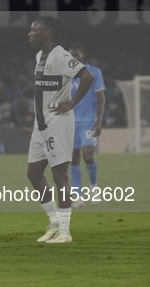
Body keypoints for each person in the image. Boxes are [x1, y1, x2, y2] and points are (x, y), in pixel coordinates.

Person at [27, 16, 94, 243]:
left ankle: (65, 231)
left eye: (34, 29)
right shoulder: (39, 56)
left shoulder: (62, 56)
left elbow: (88, 76)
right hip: (41, 125)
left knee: (59, 175)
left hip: (58, 122)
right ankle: (55, 224)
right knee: (33, 173)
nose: (29, 33)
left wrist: (72, 102)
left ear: (46, 33)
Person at [68, 43, 106, 208]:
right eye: (71, 55)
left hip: (89, 121)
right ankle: (78, 196)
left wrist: (99, 120)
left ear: (83, 54)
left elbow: (101, 97)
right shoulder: (66, 74)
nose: (74, 58)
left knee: (88, 155)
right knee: (74, 159)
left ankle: (94, 188)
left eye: (76, 55)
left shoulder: (94, 72)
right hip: (69, 122)